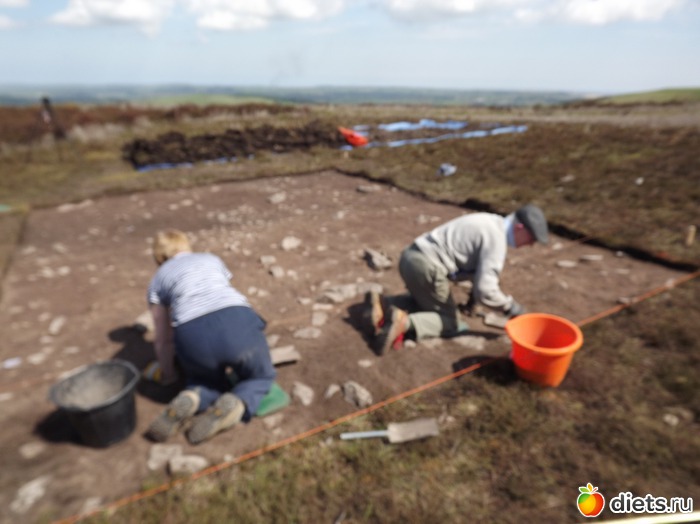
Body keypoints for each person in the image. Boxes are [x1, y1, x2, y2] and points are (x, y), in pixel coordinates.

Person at [144, 229, 276, 445]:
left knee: (204, 381)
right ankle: (238, 401)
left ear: (159, 256)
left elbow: (163, 338)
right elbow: (224, 289)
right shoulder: (210, 259)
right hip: (236, 320)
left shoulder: (157, 279)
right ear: (185, 245)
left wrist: (168, 374)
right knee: (259, 376)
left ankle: (193, 396)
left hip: (192, 335)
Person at [365, 204, 548, 355]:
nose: (531, 245)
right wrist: (511, 308)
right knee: (451, 321)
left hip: (410, 258)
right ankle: (403, 323)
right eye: (531, 239)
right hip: (426, 268)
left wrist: (473, 300)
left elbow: (472, 268)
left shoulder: (490, 221)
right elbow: (486, 290)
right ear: (519, 228)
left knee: (427, 300)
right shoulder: (496, 240)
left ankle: (386, 303)